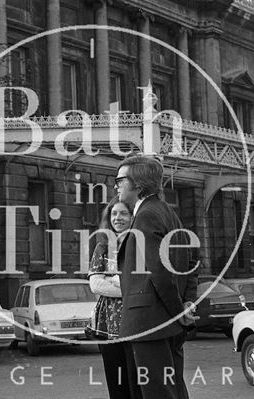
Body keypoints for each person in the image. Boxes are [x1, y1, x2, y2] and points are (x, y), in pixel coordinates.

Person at [115, 155, 197, 399]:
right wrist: (185, 305)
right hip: (164, 323)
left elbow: (159, 272)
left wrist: (178, 312)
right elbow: (190, 264)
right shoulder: (168, 213)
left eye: (120, 180)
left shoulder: (147, 215)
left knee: (158, 393)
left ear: (138, 185)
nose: (116, 185)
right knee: (172, 391)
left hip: (151, 323)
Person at [87, 197, 135, 399]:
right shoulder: (103, 247)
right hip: (109, 323)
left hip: (136, 319)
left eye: (124, 213)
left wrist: (115, 280)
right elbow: (96, 284)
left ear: (133, 217)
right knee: (117, 384)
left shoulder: (139, 245)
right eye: (114, 214)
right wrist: (128, 286)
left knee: (138, 380)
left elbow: (146, 280)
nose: (118, 218)